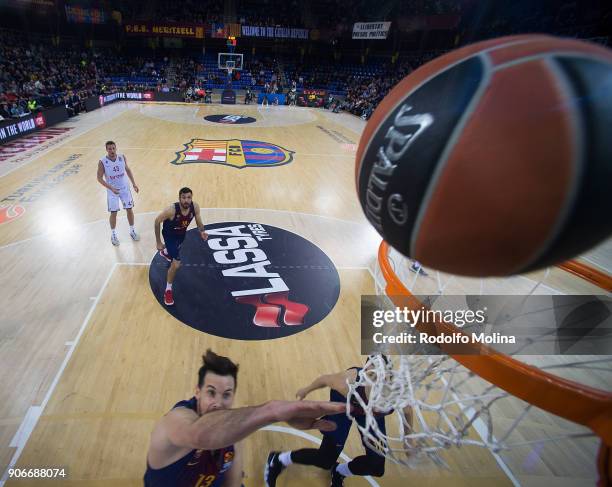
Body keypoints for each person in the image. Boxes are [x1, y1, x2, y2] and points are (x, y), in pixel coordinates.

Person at [145, 349, 346, 487]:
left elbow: (232, 482)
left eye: (226, 395)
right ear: (197, 392)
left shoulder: (231, 437)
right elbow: (199, 435)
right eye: (211, 392)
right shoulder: (175, 420)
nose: (218, 402)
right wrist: (272, 411)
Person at [265, 356, 411, 487]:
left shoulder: (396, 392)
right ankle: (279, 459)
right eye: (373, 377)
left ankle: (339, 472)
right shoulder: (348, 383)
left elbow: (408, 410)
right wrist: (306, 389)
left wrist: (408, 439)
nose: (379, 383)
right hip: (346, 403)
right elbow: (325, 379)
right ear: (366, 375)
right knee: (326, 458)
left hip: (370, 415)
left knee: (376, 466)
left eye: (384, 378)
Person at [154, 187, 207, 306]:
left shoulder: (195, 207)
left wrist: (202, 231)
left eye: (189, 197)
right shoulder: (171, 210)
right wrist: (158, 242)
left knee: (173, 252)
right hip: (169, 236)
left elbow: (198, 220)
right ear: (179, 198)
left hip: (181, 235)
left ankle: (166, 252)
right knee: (176, 263)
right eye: (183, 198)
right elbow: (157, 221)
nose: (186, 200)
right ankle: (168, 290)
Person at [96, 141, 139, 246]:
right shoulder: (102, 162)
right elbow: (99, 178)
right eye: (109, 149)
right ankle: (113, 234)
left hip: (125, 189)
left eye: (113, 148)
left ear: (116, 148)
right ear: (106, 150)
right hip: (112, 192)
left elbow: (128, 170)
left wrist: (134, 184)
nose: (112, 150)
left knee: (129, 209)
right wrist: (111, 188)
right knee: (114, 213)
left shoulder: (122, 157)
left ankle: (132, 230)